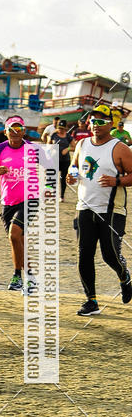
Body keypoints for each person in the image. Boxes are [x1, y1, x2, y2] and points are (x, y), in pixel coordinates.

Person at [67, 106, 132, 315]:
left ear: (111, 124)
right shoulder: (82, 143)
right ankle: (91, 301)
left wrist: (117, 180)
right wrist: (71, 174)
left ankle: (124, 277)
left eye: (101, 121)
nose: (96, 125)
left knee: (110, 254)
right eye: (93, 121)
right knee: (84, 254)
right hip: (84, 207)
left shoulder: (119, 148)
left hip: (111, 210)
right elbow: (74, 166)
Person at [0, 115, 39, 293]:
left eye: (19, 129)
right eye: (11, 130)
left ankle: (17, 275)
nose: (15, 133)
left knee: (14, 234)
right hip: (8, 202)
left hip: (30, 199)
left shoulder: (32, 149)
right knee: (18, 239)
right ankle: (29, 279)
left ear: (24, 131)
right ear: (6, 132)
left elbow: (52, 168)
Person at [51, 119, 72, 201]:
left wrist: (68, 149)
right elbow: (49, 144)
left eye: (62, 128)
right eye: (59, 128)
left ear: (66, 128)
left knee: (63, 178)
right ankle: (51, 194)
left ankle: (62, 196)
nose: (61, 130)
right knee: (52, 177)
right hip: (55, 159)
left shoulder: (68, 136)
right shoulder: (54, 135)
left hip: (65, 160)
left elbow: (75, 145)